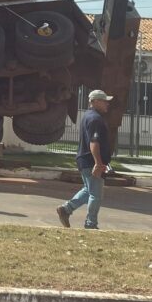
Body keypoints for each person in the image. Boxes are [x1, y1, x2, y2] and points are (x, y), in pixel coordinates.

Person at [56, 89, 113, 230]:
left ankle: (66, 209)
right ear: (95, 102)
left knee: (89, 190)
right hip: (91, 161)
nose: (107, 104)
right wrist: (98, 164)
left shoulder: (88, 116)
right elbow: (94, 142)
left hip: (85, 160)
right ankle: (90, 224)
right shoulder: (95, 119)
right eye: (105, 101)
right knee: (96, 195)